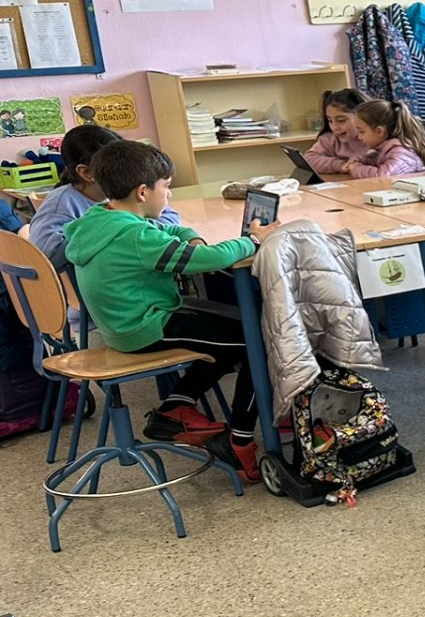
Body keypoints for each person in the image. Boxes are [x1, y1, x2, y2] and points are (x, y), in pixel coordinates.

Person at [65, 140, 274, 481]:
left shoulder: (103, 219)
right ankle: (240, 440)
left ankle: (175, 408)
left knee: (229, 335)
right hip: (146, 328)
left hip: (125, 326)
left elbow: (168, 230)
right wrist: (253, 240)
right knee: (259, 341)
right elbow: (209, 259)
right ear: (143, 192)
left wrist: (189, 235)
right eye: (166, 187)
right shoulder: (136, 236)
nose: (170, 195)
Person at [28, 124, 180, 276]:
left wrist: (137, 233)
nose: (130, 173)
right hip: (92, 285)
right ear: (86, 172)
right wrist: (110, 235)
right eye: (119, 167)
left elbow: (168, 214)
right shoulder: (62, 202)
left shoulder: (122, 192)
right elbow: (45, 258)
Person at [304, 97, 425, 180]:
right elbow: (374, 159)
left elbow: (384, 176)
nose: (359, 136)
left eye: (361, 132)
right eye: (330, 120)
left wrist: (355, 168)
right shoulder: (385, 147)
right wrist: (359, 161)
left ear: (379, 131)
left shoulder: (400, 150)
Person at [298, 88, 371, 176]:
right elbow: (308, 160)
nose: (334, 127)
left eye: (341, 120)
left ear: (364, 117)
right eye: (330, 121)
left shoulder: (378, 139)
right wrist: (340, 165)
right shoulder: (331, 139)